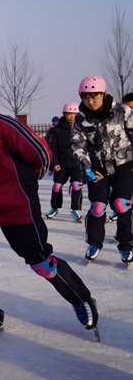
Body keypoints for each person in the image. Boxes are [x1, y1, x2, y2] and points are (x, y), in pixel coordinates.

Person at [0, 76, 97, 335]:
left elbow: (41, 154)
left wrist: (24, 185)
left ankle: (82, 299)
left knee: (41, 263)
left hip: (16, 205)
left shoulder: (0, 125)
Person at [71, 76, 133, 263]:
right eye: (86, 97)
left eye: (95, 96)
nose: (91, 101)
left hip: (124, 165)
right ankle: (94, 243)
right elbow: (77, 146)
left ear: (103, 94)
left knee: (122, 204)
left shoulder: (123, 111)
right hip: (97, 169)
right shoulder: (81, 120)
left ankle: (126, 245)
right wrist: (87, 168)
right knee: (98, 207)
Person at [46, 103, 83, 221]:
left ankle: (75, 209)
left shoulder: (82, 128)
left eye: (74, 114)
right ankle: (54, 207)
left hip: (77, 164)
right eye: (69, 114)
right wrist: (54, 163)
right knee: (57, 186)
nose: (72, 117)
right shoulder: (57, 130)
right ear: (64, 114)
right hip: (62, 164)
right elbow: (53, 148)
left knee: (76, 185)